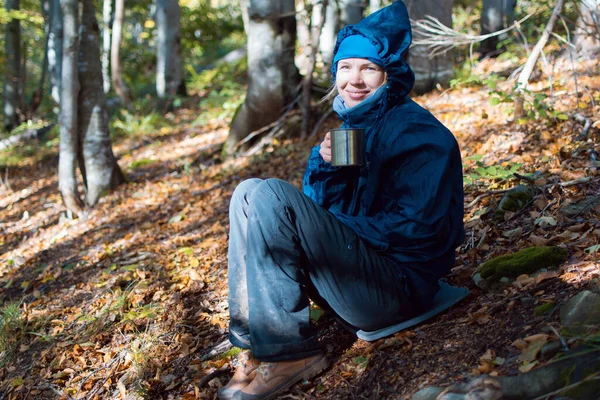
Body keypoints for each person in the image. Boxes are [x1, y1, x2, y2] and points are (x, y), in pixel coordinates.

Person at [218, 2, 465, 400]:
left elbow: (421, 231)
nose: (355, 80)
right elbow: (315, 218)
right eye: (345, 67)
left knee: (271, 194)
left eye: (368, 68)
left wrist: (335, 230)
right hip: (355, 280)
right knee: (248, 191)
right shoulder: (354, 131)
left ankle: (289, 355)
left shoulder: (420, 135)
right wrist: (327, 167)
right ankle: (257, 347)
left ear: (390, 74)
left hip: (398, 289)